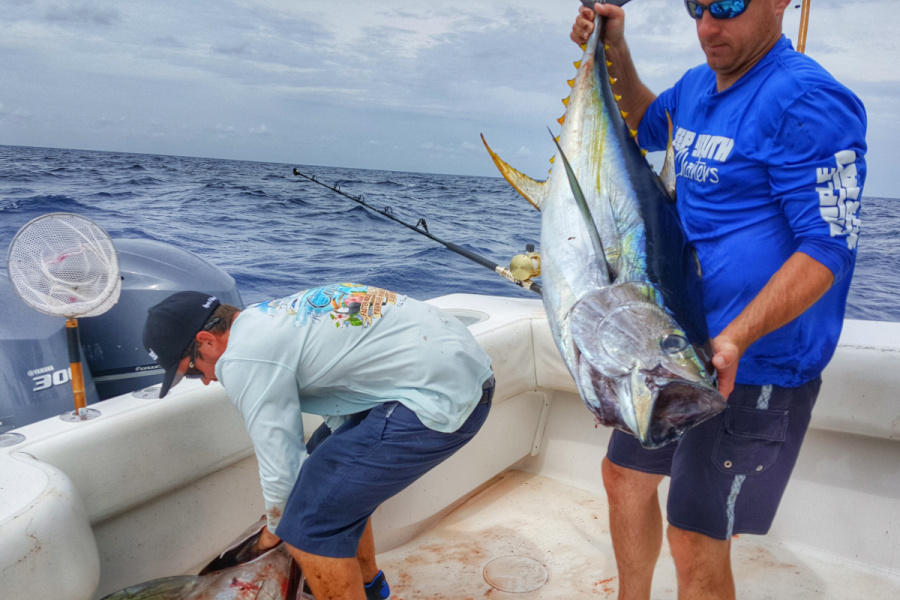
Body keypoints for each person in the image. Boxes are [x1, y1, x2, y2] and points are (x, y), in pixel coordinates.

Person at [571, 1, 866, 599]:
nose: (708, 26)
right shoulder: (698, 85)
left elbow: (827, 248)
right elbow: (647, 121)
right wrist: (615, 46)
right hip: (676, 348)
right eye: (696, 6)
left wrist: (735, 337)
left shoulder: (808, 102)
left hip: (753, 364)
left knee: (695, 537)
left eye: (729, 5)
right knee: (623, 476)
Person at [142, 284, 494, 600]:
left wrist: (274, 535)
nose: (203, 381)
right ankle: (370, 587)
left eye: (191, 370)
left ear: (206, 339)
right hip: (455, 371)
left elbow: (281, 463)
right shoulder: (268, 317)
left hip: (439, 395)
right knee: (326, 485)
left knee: (310, 525)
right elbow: (345, 384)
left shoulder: (242, 357)